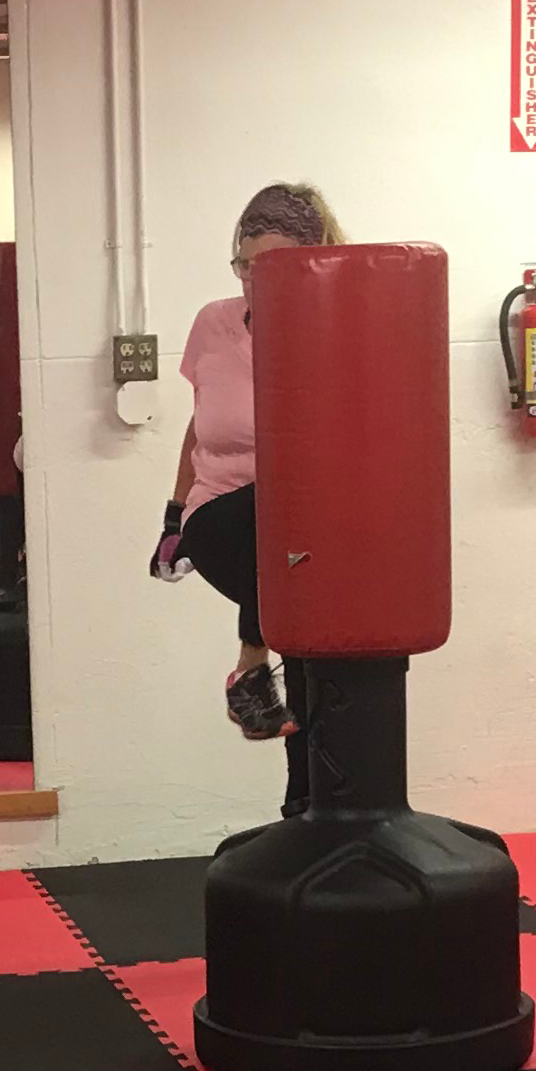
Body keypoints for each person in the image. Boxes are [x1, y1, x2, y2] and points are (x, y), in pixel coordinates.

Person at [157, 181, 340, 818]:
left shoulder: (337, 320)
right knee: (275, 523)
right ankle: (250, 660)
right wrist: (173, 516)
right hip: (223, 513)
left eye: (274, 266)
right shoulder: (213, 323)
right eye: (245, 265)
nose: (255, 280)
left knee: (313, 649)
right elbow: (198, 421)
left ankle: (306, 806)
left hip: (306, 523)